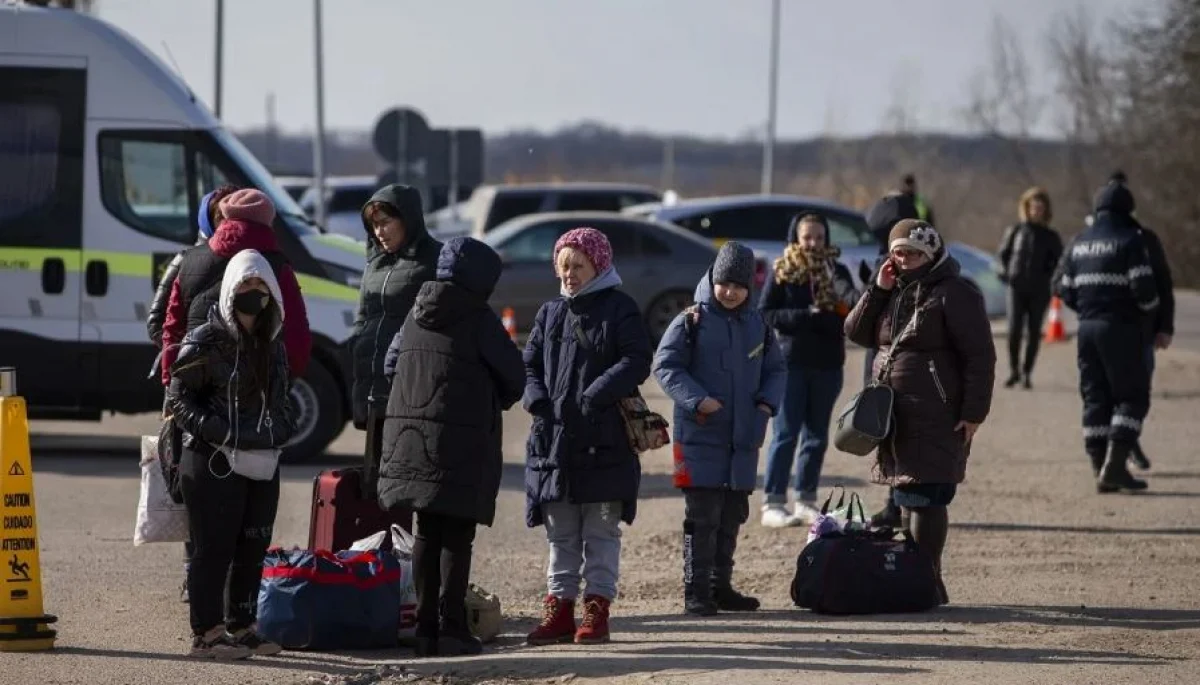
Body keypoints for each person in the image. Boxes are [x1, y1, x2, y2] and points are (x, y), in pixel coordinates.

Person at [378, 237, 524, 657]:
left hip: (410, 440)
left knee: (426, 531)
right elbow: (514, 376)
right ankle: (453, 628)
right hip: (462, 441)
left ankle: (424, 628)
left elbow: (392, 364)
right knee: (457, 536)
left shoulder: (416, 311)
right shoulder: (478, 318)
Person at [844, 219, 996, 605]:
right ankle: (918, 581)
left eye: (913, 253)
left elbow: (980, 357)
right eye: (899, 252)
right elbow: (856, 332)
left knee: (927, 492)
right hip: (896, 412)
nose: (906, 259)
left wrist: (974, 412)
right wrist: (878, 289)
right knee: (907, 491)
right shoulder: (892, 288)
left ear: (931, 254)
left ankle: (928, 580)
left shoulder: (955, 292)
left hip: (937, 410)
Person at [522, 227, 652, 646]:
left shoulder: (621, 308)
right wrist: (537, 400)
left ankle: (596, 611)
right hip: (554, 442)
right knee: (560, 535)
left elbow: (637, 359)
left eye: (578, 265)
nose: (569, 274)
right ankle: (559, 610)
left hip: (604, 442)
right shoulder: (549, 313)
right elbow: (529, 364)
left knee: (600, 533)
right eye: (563, 265)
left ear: (598, 265)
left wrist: (596, 394)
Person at [167, 249, 297, 659]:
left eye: (260, 287)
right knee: (213, 548)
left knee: (253, 546)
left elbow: (283, 400)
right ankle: (206, 634)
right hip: (212, 460)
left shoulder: (273, 343)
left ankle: (243, 627)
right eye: (245, 286)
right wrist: (220, 431)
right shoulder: (206, 339)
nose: (253, 294)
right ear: (229, 291)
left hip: (262, 459)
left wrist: (279, 430)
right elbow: (179, 396)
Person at [653, 241, 786, 615]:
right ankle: (695, 592)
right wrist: (698, 399)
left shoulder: (759, 325)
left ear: (750, 288)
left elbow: (777, 369)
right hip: (700, 433)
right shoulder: (691, 320)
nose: (729, 292)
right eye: (723, 283)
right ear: (712, 278)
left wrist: (765, 404)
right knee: (702, 515)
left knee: (731, 514)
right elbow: (666, 367)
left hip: (744, 436)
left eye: (738, 286)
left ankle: (719, 586)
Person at [146, 183, 238, 605]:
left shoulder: (246, 261)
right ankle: (194, 573)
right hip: (188, 388)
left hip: (234, 390)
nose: (226, 222)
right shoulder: (187, 260)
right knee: (190, 483)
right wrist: (190, 355)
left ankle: (225, 576)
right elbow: (157, 322)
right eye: (220, 214)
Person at [1055, 181, 1159, 492]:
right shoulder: (1130, 240)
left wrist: (1087, 308)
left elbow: (1062, 287)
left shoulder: (1078, 241)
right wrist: (1148, 313)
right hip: (1121, 328)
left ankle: (1099, 466)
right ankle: (1115, 467)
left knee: (1095, 397)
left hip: (1087, 329)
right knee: (1131, 397)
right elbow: (1145, 291)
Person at [757, 214, 857, 527]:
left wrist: (830, 317)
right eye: (807, 237)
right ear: (795, 239)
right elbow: (766, 313)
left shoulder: (836, 270)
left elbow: (850, 311)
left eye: (819, 237)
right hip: (792, 363)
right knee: (786, 434)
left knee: (816, 436)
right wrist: (806, 316)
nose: (813, 243)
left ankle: (806, 499)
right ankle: (773, 502)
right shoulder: (783, 271)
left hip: (828, 364)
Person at [159, 188, 311, 387]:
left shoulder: (190, 260)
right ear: (267, 221)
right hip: (258, 385)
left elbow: (172, 326)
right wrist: (287, 376)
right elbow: (296, 329)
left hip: (196, 385)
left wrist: (169, 378)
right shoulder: (278, 266)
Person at [350, 184, 442, 493]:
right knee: (375, 482)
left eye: (386, 222)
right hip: (374, 389)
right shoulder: (374, 264)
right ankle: (380, 541)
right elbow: (364, 319)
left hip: (412, 388)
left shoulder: (435, 260)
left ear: (409, 219)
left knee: (407, 481)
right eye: (374, 225)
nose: (379, 232)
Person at [859, 192, 922, 530]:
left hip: (892, 363)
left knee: (896, 435)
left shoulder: (898, 264)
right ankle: (895, 503)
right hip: (889, 360)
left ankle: (897, 505)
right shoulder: (897, 262)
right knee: (889, 435)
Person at [1106, 171, 1174, 472]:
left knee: (1135, 393)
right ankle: (1121, 450)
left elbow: (1162, 283)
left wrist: (1165, 326)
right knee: (1110, 395)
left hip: (1142, 331)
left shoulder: (1146, 239)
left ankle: (1127, 443)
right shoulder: (1097, 238)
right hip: (1107, 332)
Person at [997, 187, 1064, 389]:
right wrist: (1005, 273)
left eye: (1040, 208)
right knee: (1014, 329)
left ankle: (1027, 373)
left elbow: (1060, 263)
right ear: (1026, 208)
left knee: (1034, 331)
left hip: (1039, 290)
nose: (1036, 211)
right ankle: (1014, 371)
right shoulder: (1015, 231)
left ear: (1045, 210)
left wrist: (1051, 279)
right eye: (1033, 207)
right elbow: (1002, 257)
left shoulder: (1051, 236)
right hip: (1016, 287)